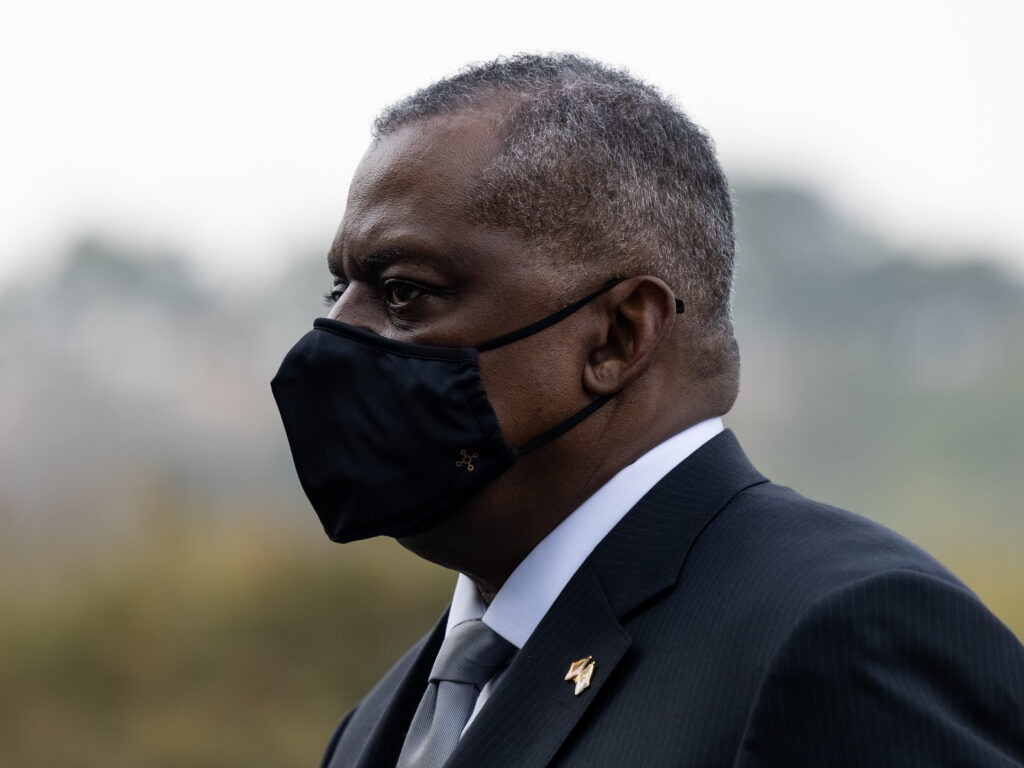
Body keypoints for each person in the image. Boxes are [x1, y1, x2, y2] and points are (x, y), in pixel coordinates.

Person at [271, 54, 1024, 767]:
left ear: (618, 335)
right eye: (337, 290)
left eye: (404, 292)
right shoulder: (383, 722)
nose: (336, 339)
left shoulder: (843, 636)